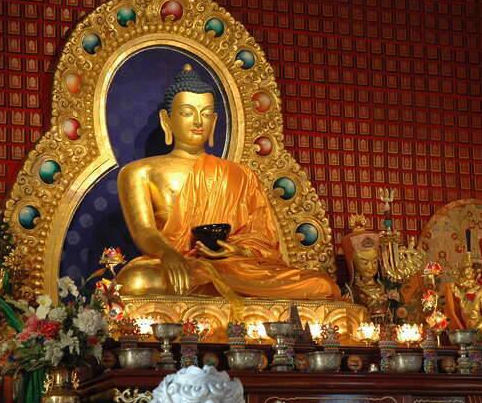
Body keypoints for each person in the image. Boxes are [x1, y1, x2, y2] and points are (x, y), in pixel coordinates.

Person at [116, 65, 340, 301]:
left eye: (205, 113)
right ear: (166, 119)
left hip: (234, 269)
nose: (197, 121)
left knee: (320, 284)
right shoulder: (139, 171)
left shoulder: (240, 175)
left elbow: (262, 239)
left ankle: (223, 298)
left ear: (214, 121)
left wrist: (238, 250)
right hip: (177, 266)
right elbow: (144, 230)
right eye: (187, 112)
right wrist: (168, 254)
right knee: (136, 281)